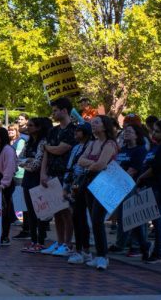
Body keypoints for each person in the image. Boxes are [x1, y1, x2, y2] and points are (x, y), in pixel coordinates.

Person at [77, 116, 119, 271]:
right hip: (90, 183)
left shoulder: (110, 144)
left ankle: (103, 257)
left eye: (96, 123)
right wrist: (92, 165)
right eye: (92, 123)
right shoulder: (93, 143)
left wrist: (91, 164)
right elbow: (80, 160)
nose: (93, 125)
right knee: (92, 220)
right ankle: (99, 255)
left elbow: (101, 165)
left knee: (97, 219)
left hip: (105, 184)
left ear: (105, 126)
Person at [133, 119, 161, 264]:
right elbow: (146, 165)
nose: (153, 133)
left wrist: (140, 178)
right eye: (153, 130)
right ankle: (145, 246)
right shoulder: (154, 148)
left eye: (157, 131)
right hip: (146, 187)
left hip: (157, 188)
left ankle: (157, 252)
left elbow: (156, 168)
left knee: (156, 222)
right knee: (137, 219)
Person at [39, 98, 76, 257]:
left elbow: (62, 149)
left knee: (67, 211)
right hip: (52, 174)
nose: (53, 114)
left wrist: (47, 147)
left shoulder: (73, 130)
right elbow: (46, 153)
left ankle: (68, 243)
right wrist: (43, 173)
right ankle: (59, 242)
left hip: (66, 175)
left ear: (64, 110)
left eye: (55, 110)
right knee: (56, 210)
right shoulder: (53, 131)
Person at [109, 124, 149, 255]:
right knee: (121, 217)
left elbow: (133, 170)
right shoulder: (123, 149)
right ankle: (121, 243)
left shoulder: (140, 150)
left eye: (129, 131)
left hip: (133, 187)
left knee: (133, 217)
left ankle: (137, 245)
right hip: (120, 187)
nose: (126, 133)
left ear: (137, 135)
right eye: (125, 131)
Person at [18, 117, 50, 253]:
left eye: (31, 125)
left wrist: (28, 163)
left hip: (38, 180)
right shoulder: (29, 142)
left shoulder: (43, 143)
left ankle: (41, 241)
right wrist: (28, 161)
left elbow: (37, 165)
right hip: (27, 180)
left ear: (38, 127)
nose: (28, 127)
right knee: (30, 212)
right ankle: (33, 239)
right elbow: (19, 159)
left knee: (40, 211)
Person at [66, 123, 93, 264]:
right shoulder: (76, 148)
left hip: (88, 184)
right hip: (76, 184)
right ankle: (79, 249)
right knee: (76, 216)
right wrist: (66, 186)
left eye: (79, 131)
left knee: (84, 218)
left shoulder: (92, 146)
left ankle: (85, 250)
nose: (75, 134)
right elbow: (70, 167)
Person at [8, 124, 29, 240]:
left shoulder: (20, 141)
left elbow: (18, 156)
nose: (10, 132)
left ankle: (24, 225)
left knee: (19, 199)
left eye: (12, 130)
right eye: (9, 130)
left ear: (17, 131)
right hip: (12, 173)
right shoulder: (10, 142)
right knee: (13, 197)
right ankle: (14, 218)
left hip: (19, 173)